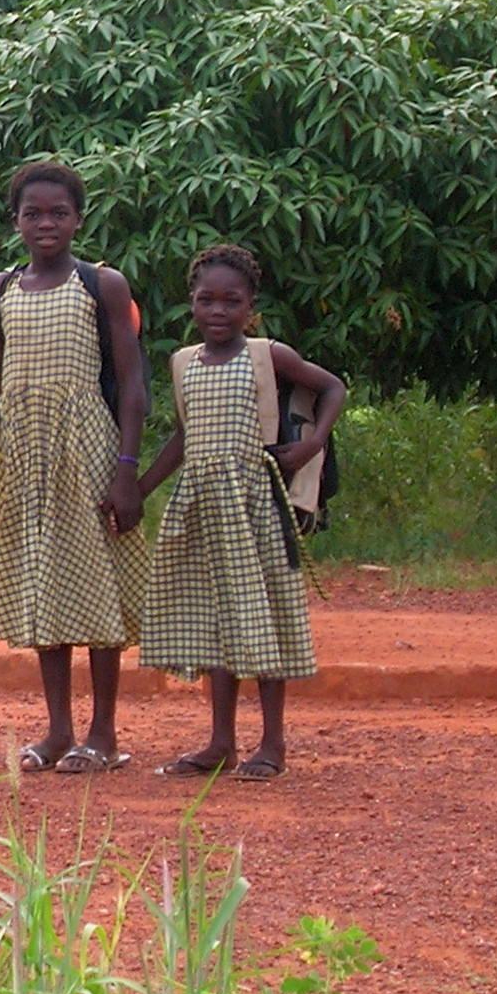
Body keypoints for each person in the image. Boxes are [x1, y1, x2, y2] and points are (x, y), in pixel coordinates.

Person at [136, 244, 344, 782]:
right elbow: (184, 436)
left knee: (265, 618)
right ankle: (220, 743)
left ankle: (272, 743)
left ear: (251, 305)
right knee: (214, 623)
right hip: (202, 508)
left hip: (256, 507)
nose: (219, 311)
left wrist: (310, 446)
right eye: (207, 300)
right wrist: (141, 488)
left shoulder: (267, 355)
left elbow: (332, 389)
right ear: (192, 304)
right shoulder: (183, 363)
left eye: (232, 301)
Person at [0, 162, 150, 775]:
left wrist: (127, 470)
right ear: (15, 220)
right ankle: (56, 732)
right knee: (45, 584)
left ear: (79, 217)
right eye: (33, 213)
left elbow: (132, 387)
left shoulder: (103, 285)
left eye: (59, 213)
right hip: (26, 455)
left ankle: (102, 731)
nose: (46, 224)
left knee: (97, 583)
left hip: (88, 448)